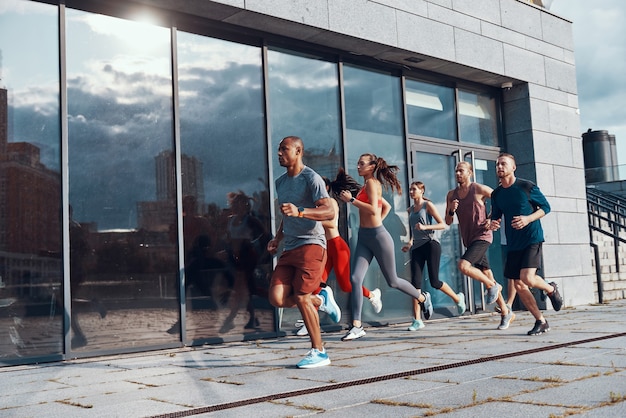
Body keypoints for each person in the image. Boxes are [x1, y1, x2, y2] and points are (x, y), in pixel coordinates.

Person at [338, 153, 433, 341]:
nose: (358, 166)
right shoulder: (366, 185)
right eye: (357, 163)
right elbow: (386, 207)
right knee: (356, 278)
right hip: (365, 236)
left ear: (372, 167)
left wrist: (351, 200)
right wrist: (375, 219)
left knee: (393, 281)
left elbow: (374, 208)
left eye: (362, 163)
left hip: (379, 237)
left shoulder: (373, 184)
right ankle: (357, 326)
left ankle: (422, 297)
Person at [267, 135, 339, 368]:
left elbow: (328, 211)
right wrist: (277, 238)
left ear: (298, 152)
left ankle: (319, 352)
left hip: (312, 244)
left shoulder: (311, 178)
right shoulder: (280, 182)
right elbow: (285, 215)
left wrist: (300, 211)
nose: (279, 153)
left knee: (300, 296)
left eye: (284, 149)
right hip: (290, 247)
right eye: (278, 150)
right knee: (277, 298)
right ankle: (320, 299)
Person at [296, 170, 382, 337]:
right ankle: (310, 322)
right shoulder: (313, 206)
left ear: (325, 187)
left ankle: (372, 294)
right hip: (324, 248)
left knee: (346, 285)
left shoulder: (330, 203)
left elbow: (331, 225)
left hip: (337, 246)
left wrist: (311, 219)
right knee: (315, 284)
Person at [488, 153, 563, 335]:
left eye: (503, 164)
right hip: (514, 243)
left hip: (532, 237)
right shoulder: (496, 194)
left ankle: (550, 289)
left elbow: (546, 207)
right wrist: (493, 223)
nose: (499, 167)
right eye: (497, 164)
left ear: (513, 167)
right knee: (520, 285)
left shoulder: (526, 186)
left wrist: (528, 218)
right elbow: (496, 216)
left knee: (528, 278)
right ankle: (541, 321)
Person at [445, 161, 514, 330]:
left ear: (470, 173)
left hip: (483, 236)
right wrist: (451, 210)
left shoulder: (478, 189)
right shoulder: (451, 195)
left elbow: (501, 201)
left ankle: (493, 286)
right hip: (468, 239)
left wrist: (492, 218)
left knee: (463, 265)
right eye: (456, 171)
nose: (458, 174)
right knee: (486, 273)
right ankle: (506, 312)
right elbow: (447, 221)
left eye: (461, 171)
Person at [402, 181, 465, 331]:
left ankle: (458, 298)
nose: (411, 192)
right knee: (414, 285)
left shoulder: (427, 206)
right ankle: (417, 320)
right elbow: (414, 231)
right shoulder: (410, 210)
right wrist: (410, 243)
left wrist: (426, 227)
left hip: (431, 245)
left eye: (414, 189)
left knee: (434, 281)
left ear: (422, 191)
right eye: (410, 189)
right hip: (416, 248)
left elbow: (442, 225)